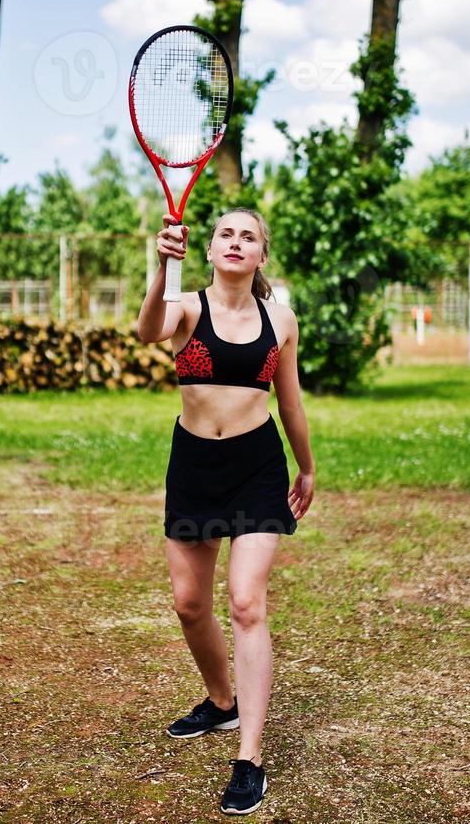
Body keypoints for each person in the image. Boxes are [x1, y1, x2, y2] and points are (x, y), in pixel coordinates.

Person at [134, 206, 316, 816]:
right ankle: (220, 702)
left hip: (258, 469)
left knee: (245, 602)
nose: (236, 243)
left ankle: (250, 759)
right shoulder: (187, 308)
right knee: (190, 606)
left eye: (249, 237)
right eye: (226, 235)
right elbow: (146, 330)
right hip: (194, 468)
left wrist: (307, 465)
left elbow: (289, 402)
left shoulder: (280, 319)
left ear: (262, 255)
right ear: (209, 249)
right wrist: (163, 266)